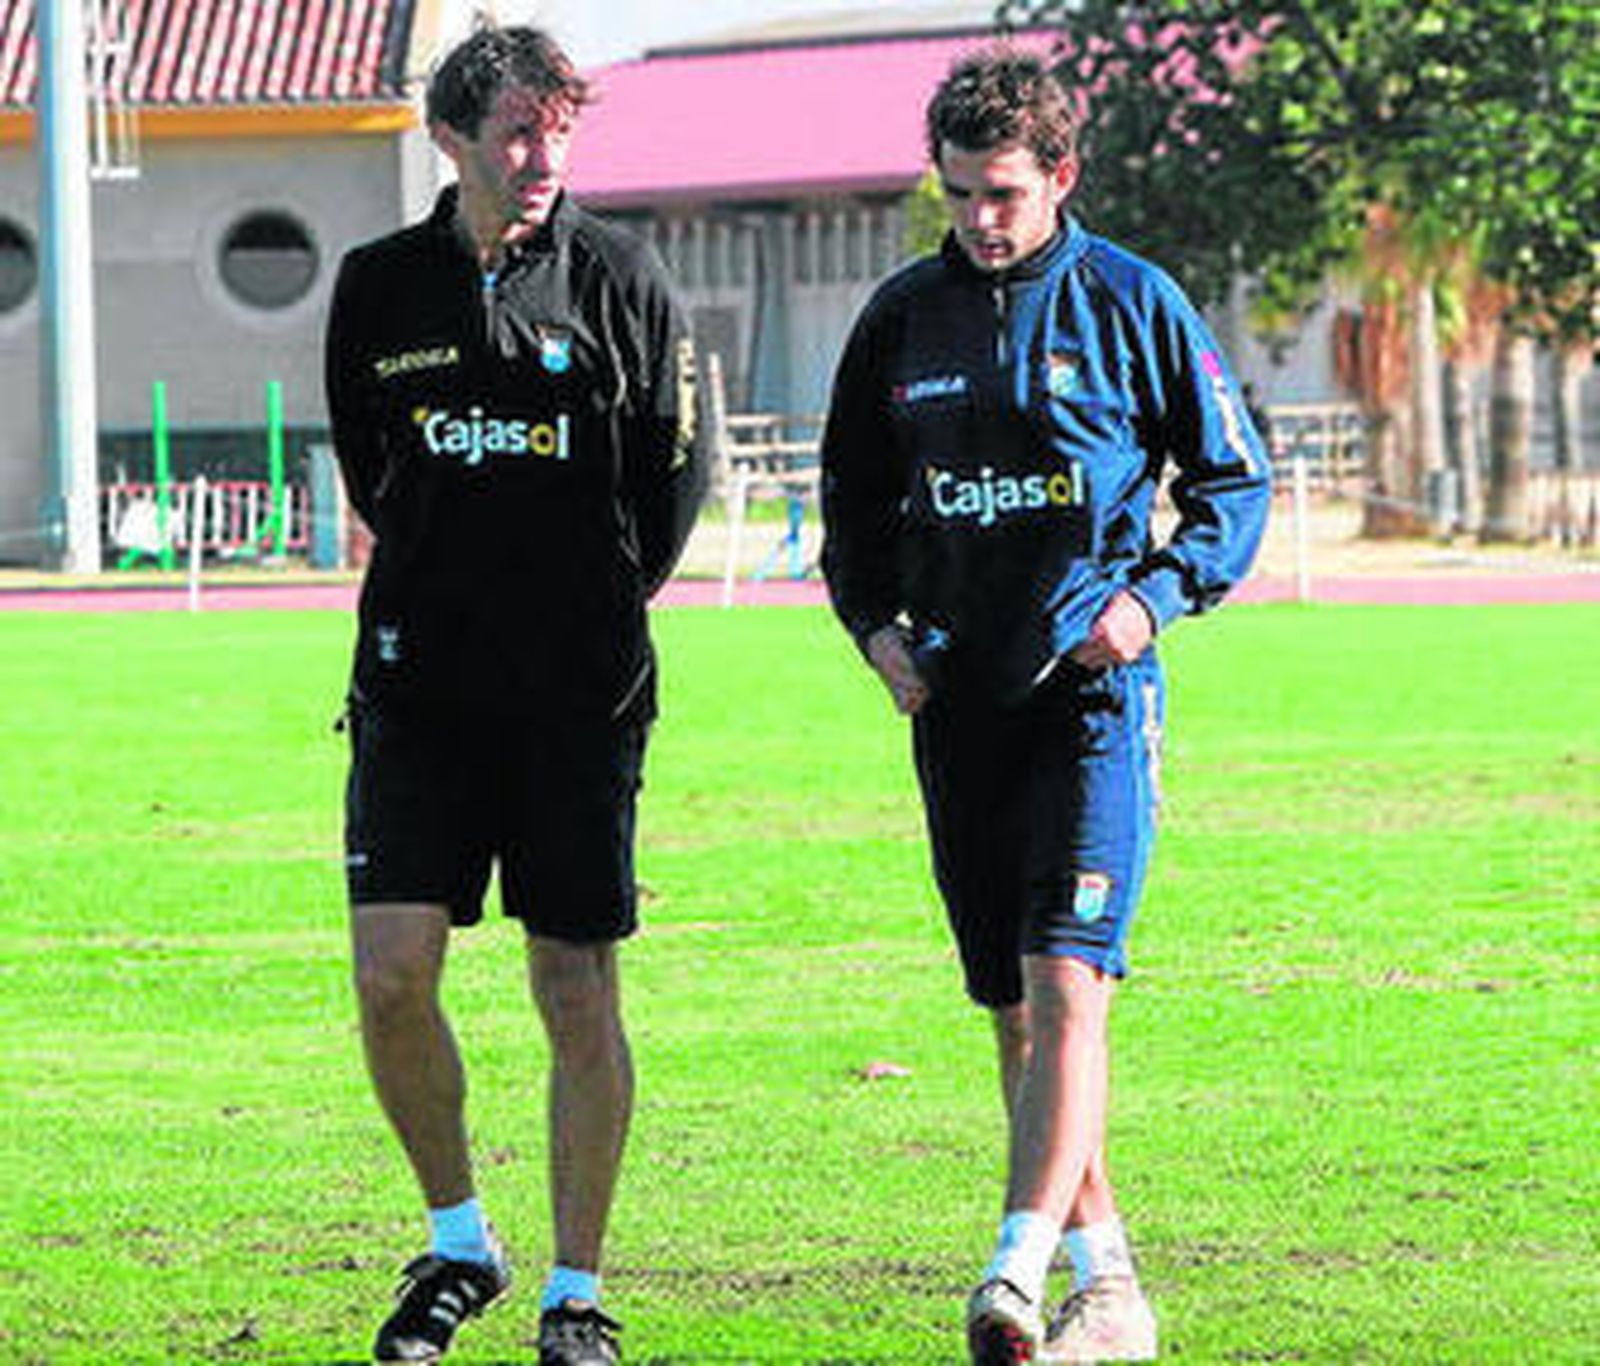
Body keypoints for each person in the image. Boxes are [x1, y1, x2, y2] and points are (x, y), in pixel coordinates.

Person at [820, 49, 1271, 1365]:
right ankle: (1109, 1284)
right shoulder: (902, 322)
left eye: (1003, 193)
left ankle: (1012, 1271)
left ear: (1061, 177)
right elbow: (852, 506)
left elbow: (1233, 483)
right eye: (958, 194)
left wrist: (1151, 601)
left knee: (1071, 978)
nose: (979, 219)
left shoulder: (1136, 302)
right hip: (959, 709)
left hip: (1090, 705)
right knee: (1013, 1010)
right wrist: (875, 631)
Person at [324, 24, 704, 1366]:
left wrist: (586, 608)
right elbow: (374, 469)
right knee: (390, 975)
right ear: (454, 141)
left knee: (573, 981)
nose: (543, 160)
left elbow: (675, 476)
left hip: (578, 699)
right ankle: (459, 1240)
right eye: (517, 134)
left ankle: (575, 1289)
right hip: (419, 687)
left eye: (561, 132)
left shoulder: (624, 275)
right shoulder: (378, 288)